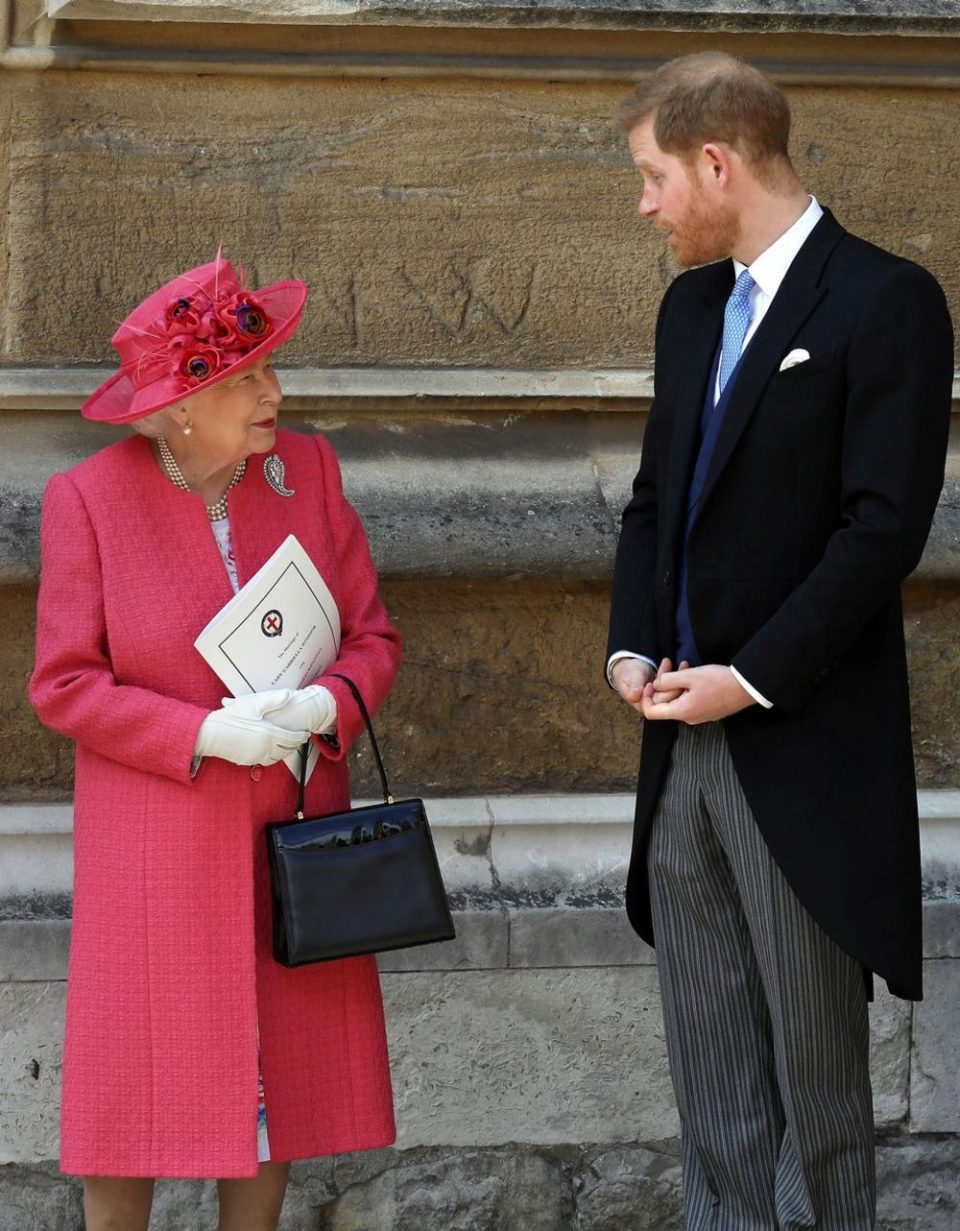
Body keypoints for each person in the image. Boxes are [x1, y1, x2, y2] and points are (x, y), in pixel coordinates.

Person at [606, 53, 953, 1230]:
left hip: (799, 750)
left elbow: (879, 533)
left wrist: (745, 680)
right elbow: (656, 502)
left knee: (817, 1094)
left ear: (718, 161)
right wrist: (631, 651)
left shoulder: (886, 301)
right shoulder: (688, 307)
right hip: (676, 753)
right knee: (713, 1090)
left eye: (655, 176)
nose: (645, 202)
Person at [29, 253, 402, 1231]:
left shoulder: (306, 471)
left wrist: (330, 707)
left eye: (271, 370)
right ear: (186, 405)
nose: (276, 393)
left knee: (273, 1091)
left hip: (287, 838)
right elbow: (63, 683)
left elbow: (373, 636)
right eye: (248, 379)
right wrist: (201, 730)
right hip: (155, 848)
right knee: (133, 1105)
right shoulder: (89, 500)